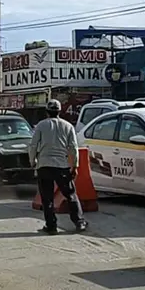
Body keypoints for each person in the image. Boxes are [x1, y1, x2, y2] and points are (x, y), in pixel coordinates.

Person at [29, 99, 88, 235]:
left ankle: (51, 226)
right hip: (62, 166)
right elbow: (73, 148)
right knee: (71, 195)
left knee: (47, 198)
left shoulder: (41, 126)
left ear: (47, 112)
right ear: (60, 111)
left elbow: (33, 145)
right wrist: (75, 165)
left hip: (44, 165)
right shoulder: (68, 126)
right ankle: (79, 222)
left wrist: (33, 162)